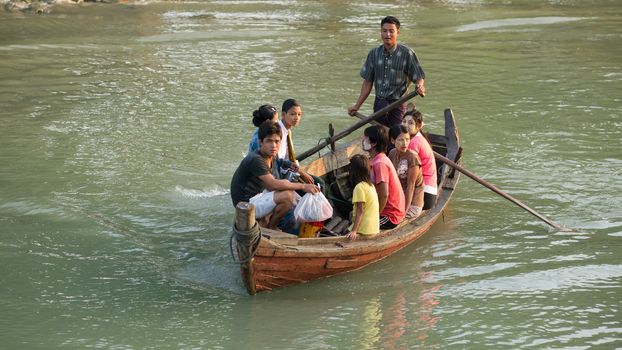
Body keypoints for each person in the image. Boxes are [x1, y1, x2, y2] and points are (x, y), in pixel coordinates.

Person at [231, 121, 319, 230]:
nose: (273, 145)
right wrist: (303, 186)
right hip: (246, 205)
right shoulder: (256, 159)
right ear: (260, 142)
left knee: (298, 201)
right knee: (288, 196)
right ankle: (271, 227)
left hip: (259, 195)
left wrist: (296, 168)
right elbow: (273, 185)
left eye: (277, 141)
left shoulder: (271, 154)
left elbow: (280, 161)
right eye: (269, 141)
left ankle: (269, 220)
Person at [348, 16, 426, 127]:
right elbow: (367, 82)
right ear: (381, 32)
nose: (387, 34)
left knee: (397, 137)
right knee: (379, 136)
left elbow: (418, 76)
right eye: (384, 31)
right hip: (380, 103)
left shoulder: (407, 53)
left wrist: (419, 86)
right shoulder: (374, 54)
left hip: (398, 103)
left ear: (397, 32)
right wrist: (357, 106)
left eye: (391, 31)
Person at [363, 125, 405, 229]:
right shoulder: (376, 159)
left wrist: (374, 216)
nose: (363, 140)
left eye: (365, 138)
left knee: (360, 225)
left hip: (390, 215)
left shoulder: (380, 163)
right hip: (383, 208)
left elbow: (384, 195)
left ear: (374, 143)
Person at [278, 98, 322, 187]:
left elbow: (289, 157)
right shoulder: (278, 131)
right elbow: (278, 160)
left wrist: (300, 171)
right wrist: (301, 172)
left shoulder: (287, 131)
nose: (296, 117)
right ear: (283, 114)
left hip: (289, 169)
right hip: (281, 174)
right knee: (319, 184)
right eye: (292, 114)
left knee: (319, 182)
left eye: (299, 114)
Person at [402, 109, 437, 209]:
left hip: (424, 194)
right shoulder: (416, 138)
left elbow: (407, 173)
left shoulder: (413, 143)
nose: (405, 125)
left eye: (410, 123)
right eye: (404, 121)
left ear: (418, 126)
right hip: (427, 190)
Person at [388, 125, 424, 219]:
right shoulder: (392, 153)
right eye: (400, 140)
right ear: (392, 141)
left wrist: (403, 212)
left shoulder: (413, 157)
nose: (404, 143)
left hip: (412, 203)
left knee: (389, 217)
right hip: (398, 198)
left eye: (407, 139)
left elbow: (410, 187)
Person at [345, 154, 380, 240]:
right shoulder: (370, 185)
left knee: (344, 232)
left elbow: (360, 210)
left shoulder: (359, 187)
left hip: (365, 230)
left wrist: (354, 231)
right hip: (374, 228)